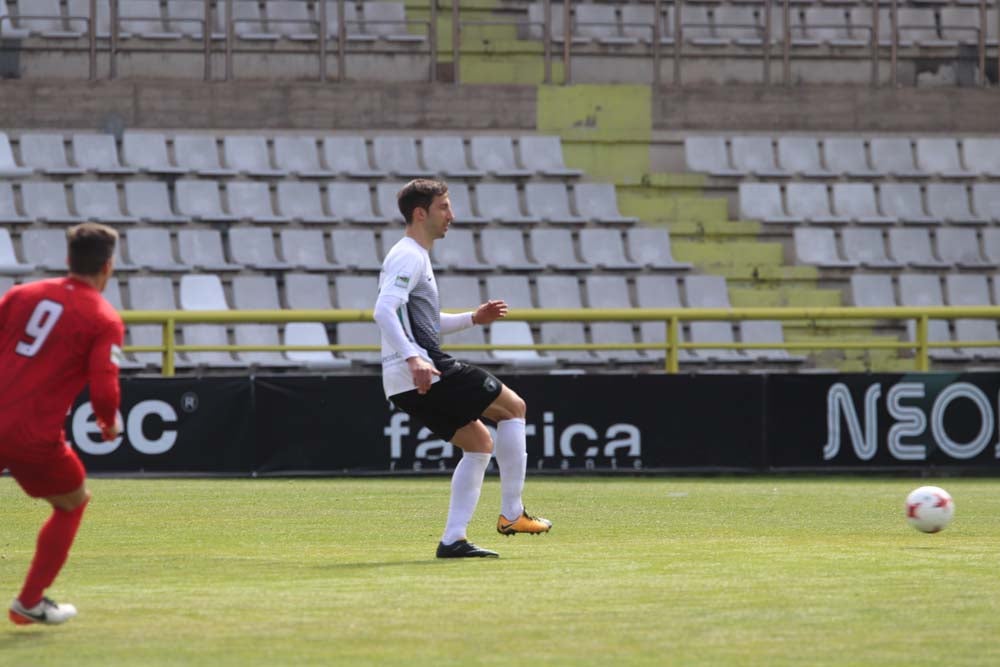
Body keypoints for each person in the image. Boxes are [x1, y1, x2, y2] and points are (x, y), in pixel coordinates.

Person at [374, 179, 551, 559]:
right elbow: (383, 311)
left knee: (478, 443)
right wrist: (415, 357)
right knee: (514, 408)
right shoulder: (409, 255)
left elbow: (418, 320)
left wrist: (472, 318)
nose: (451, 216)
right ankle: (512, 514)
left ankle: (453, 540)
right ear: (421, 213)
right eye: (444, 207)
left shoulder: (412, 256)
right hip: (425, 368)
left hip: (400, 381)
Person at [1, 222, 124, 625]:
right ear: (108, 266)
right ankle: (29, 602)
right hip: (30, 434)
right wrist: (108, 423)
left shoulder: (21, 295)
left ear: (68, 259)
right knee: (72, 502)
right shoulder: (103, 318)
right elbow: (105, 391)